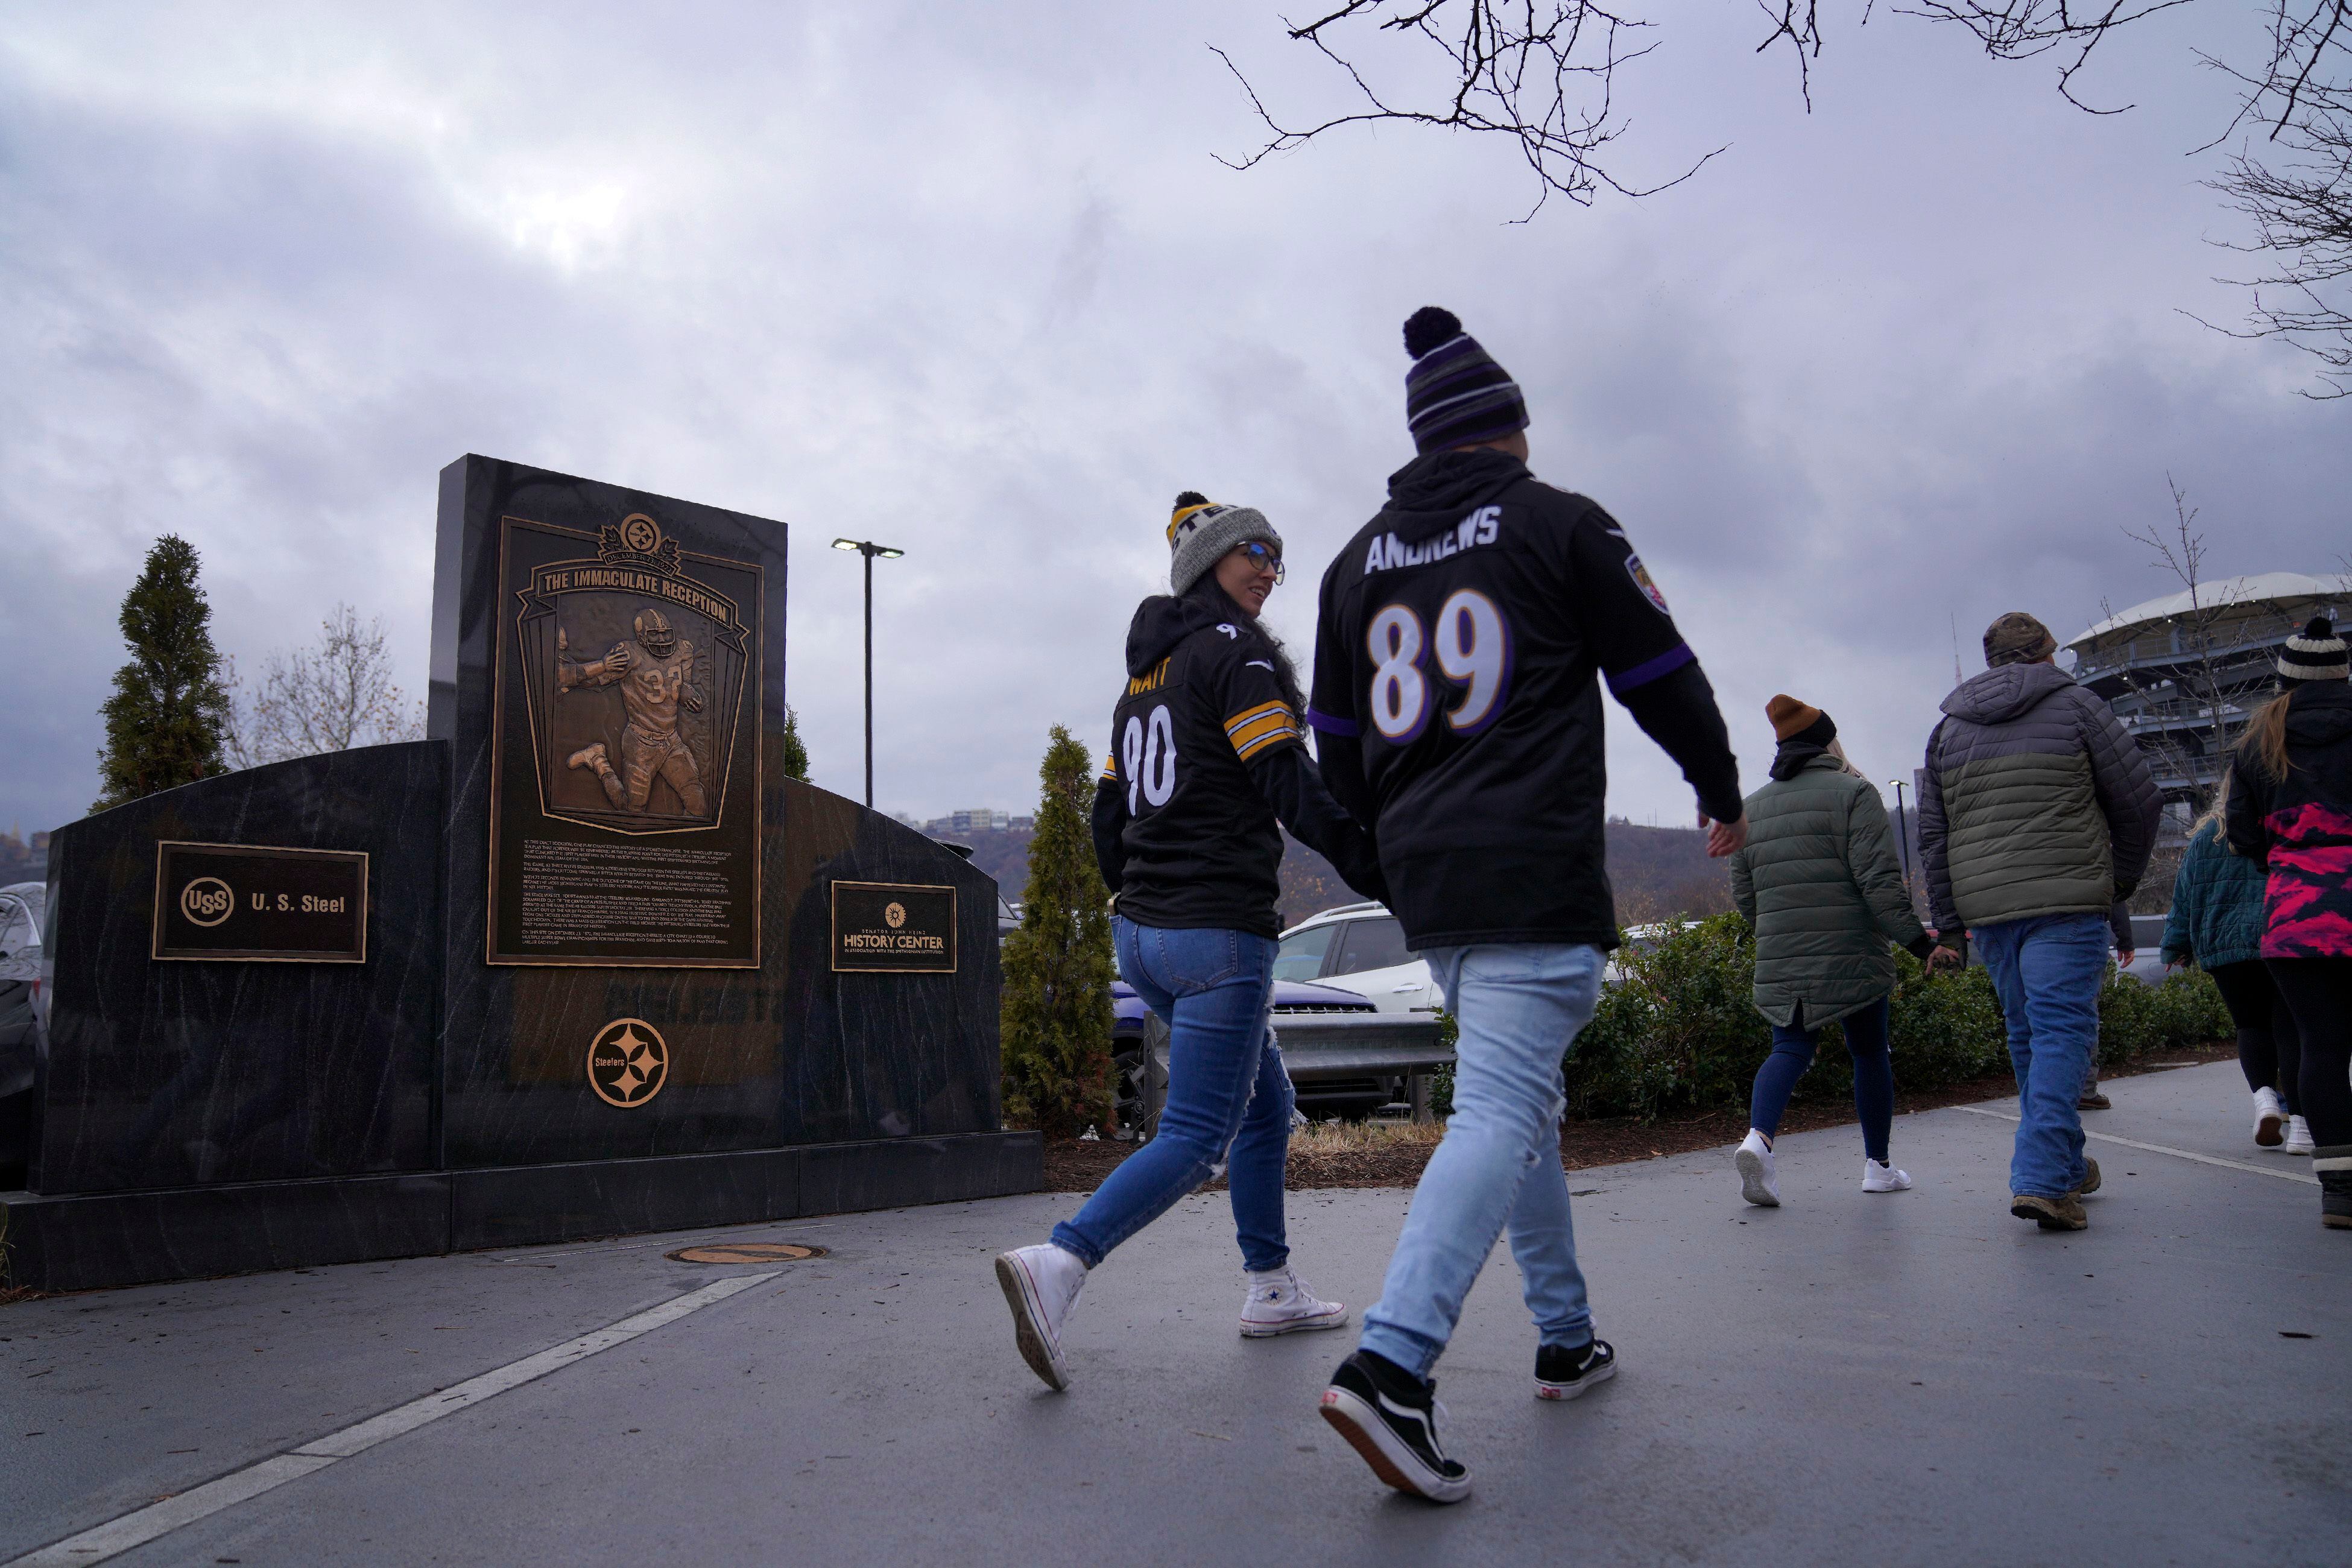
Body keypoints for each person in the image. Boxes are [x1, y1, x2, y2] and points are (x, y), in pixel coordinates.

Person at [1306, 308, 1743, 1503]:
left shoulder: (1351, 565)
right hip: (1535, 866)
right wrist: (1719, 789)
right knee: (1502, 1106)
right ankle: (1395, 1364)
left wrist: (1387, 853)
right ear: (1508, 433)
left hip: (1430, 888)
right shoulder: (1563, 522)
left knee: (1516, 1097)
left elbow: (1332, 753)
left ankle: (1566, 1334)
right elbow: (1661, 671)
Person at [993, 492, 1389, 1391]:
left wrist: (1134, 895)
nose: (1268, 569)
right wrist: (1379, 868)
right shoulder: (1238, 658)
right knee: (1200, 1135)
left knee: (1261, 1108)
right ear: (1207, 561)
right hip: (1218, 934)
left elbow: (1107, 813)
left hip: (1144, 935)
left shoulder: (1141, 682)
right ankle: (1061, 1262)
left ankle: (1271, 1285)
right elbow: (1286, 780)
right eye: (1252, 551)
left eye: (1276, 557)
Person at [1918, 611, 2159, 1232]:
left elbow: (1934, 837)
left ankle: (2065, 1163)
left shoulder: (1948, 730)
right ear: (2047, 655)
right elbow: (2138, 800)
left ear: (1992, 661)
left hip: (1988, 908)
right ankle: (2044, 1178)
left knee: (2031, 1034)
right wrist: (2119, 884)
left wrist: (1949, 924)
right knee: (2059, 1032)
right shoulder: (2078, 707)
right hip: (2067, 900)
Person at [1728, 695, 1935, 1207]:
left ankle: (1758, 1140)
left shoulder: (1750, 808)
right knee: (1869, 1052)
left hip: (1781, 955)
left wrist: (1774, 933)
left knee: (1790, 1049)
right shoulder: (1854, 793)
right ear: (1827, 742)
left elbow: (1745, 895)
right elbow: (1879, 883)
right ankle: (1878, 1167)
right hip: (1852, 955)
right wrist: (1917, 941)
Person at [2225, 615, 2352, 1229]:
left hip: (2296, 917)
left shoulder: (2256, 743)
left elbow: (2242, 836)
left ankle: (2339, 1190)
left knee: (2322, 1047)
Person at [2164, 768, 2309, 1153]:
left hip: (2224, 945)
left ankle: (2264, 1101)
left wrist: (2176, 945)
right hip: (2278, 938)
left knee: (2250, 1026)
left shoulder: (2207, 835)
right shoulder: (2285, 825)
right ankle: (2302, 1127)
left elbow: (2186, 895)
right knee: (2290, 1029)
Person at [2078, 897, 2136, 1111]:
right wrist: (2125, 940)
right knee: (2084, 1012)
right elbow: (2115, 889)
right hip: (2085, 929)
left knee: (2041, 1012)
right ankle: (2085, 1090)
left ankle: (2045, 1088)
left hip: (2035, 929)